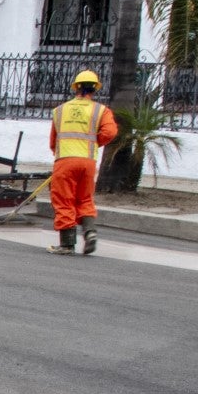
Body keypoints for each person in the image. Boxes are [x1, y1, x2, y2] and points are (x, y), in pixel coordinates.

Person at [47, 69, 118, 255]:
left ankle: (67, 244)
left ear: (76, 88)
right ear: (95, 89)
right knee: (84, 198)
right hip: (87, 161)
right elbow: (110, 132)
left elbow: (53, 141)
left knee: (64, 200)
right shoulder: (101, 110)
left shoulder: (60, 110)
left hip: (65, 161)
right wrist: (94, 142)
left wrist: (61, 154)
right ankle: (90, 232)